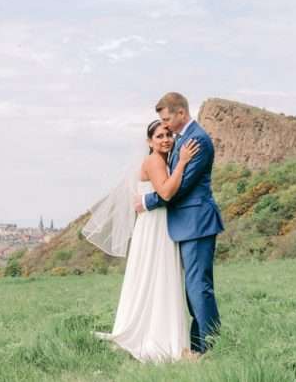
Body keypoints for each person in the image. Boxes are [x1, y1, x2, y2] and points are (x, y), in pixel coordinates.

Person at [82, 118, 201, 362]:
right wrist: (183, 163)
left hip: (154, 224)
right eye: (159, 136)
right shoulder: (155, 161)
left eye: (168, 134)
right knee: (159, 275)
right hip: (156, 226)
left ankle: (158, 332)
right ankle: (162, 340)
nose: (166, 139)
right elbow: (166, 192)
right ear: (149, 141)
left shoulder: (160, 160)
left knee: (156, 276)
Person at [136, 92, 224, 354]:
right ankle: (197, 345)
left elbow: (179, 188)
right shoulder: (182, 139)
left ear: (181, 114)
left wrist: (148, 201)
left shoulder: (197, 140)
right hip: (186, 224)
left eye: (166, 120)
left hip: (197, 222)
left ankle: (208, 348)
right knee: (192, 288)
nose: (165, 126)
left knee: (199, 288)